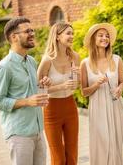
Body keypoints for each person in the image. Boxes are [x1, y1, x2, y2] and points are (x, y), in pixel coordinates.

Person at [0, 17, 50, 165]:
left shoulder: (31, 61)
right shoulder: (4, 67)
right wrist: (27, 102)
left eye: (32, 30)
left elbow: (30, 89)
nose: (32, 34)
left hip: (38, 130)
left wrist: (43, 84)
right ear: (14, 37)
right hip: (19, 134)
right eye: (27, 31)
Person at [80, 23, 123, 165]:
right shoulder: (85, 63)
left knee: (115, 145)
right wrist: (96, 84)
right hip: (97, 109)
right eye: (101, 35)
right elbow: (84, 92)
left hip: (116, 107)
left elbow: (121, 82)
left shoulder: (117, 60)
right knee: (100, 145)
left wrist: (121, 88)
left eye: (107, 36)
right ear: (94, 39)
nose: (105, 38)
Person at [37, 21, 80, 165]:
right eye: (68, 33)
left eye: (72, 33)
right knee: (58, 157)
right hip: (51, 110)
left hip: (70, 107)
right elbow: (38, 89)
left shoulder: (75, 57)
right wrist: (60, 86)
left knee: (72, 154)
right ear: (57, 36)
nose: (72, 36)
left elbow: (75, 86)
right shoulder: (47, 60)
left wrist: (77, 79)